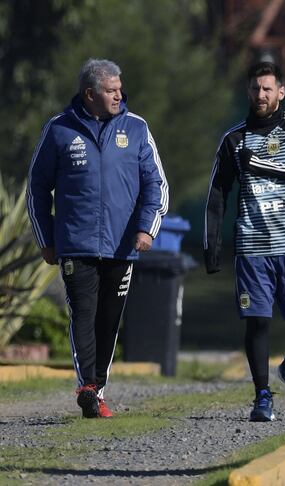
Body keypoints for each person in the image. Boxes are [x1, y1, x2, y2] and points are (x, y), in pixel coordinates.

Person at [27, 58, 168, 418]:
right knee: (83, 315)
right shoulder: (59, 129)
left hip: (123, 246)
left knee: (108, 320)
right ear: (90, 94)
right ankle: (88, 387)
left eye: (119, 88)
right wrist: (46, 238)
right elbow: (38, 188)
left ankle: (97, 388)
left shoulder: (136, 128)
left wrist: (145, 228)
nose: (119, 94)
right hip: (76, 244)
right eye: (111, 90)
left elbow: (156, 184)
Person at [204, 61, 285, 422]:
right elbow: (217, 194)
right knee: (257, 322)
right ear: (248, 91)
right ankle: (262, 396)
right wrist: (212, 247)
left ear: (281, 92)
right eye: (256, 88)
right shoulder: (233, 139)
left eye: (268, 88)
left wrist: (258, 166)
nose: (261, 95)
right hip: (253, 248)